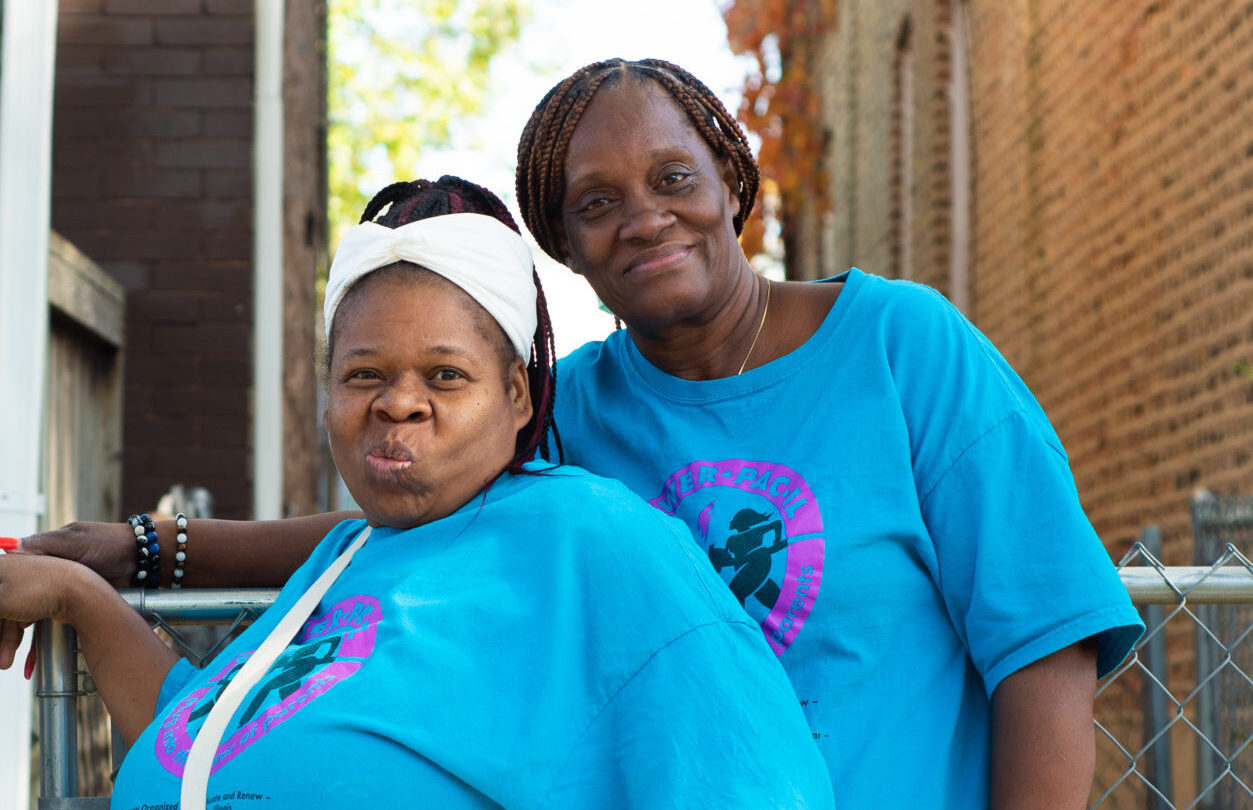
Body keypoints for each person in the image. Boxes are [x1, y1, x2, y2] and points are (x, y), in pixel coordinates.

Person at [19, 59, 1143, 809]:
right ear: (563, 248)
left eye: (670, 177)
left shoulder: (902, 350)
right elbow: (406, 515)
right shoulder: (571, 408)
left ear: (729, 178)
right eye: (594, 203)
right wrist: (155, 549)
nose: (643, 216)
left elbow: (1038, 649)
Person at [0, 176, 835, 809]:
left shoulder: (594, 541)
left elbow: (752, 776)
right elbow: (201, 748)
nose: (397, 401)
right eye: (363, 373)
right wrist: (81, 596)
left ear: (517, 396)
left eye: (445, 374)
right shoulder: (343, 561)